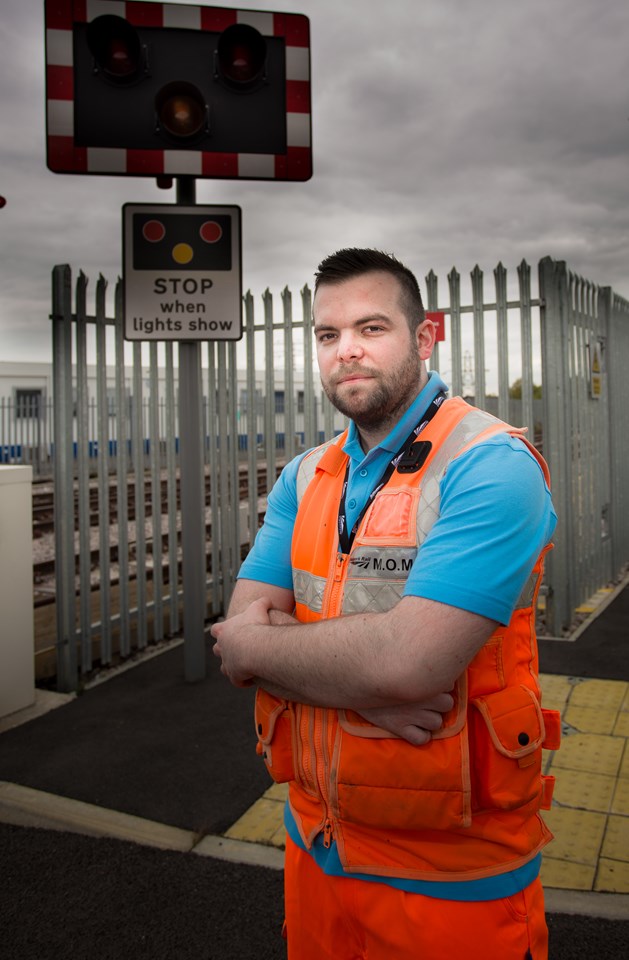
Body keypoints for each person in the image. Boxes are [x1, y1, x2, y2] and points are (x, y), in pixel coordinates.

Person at [211, 248, 560, 960]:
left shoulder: (489, 465)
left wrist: (266, 651)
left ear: (424, 336)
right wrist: (359, 681)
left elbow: (406, 664)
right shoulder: (305, 474)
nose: (347, 352)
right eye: (327, 335)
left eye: (371, 328)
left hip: (450, 875)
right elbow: (242, 627)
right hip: (315, 842)